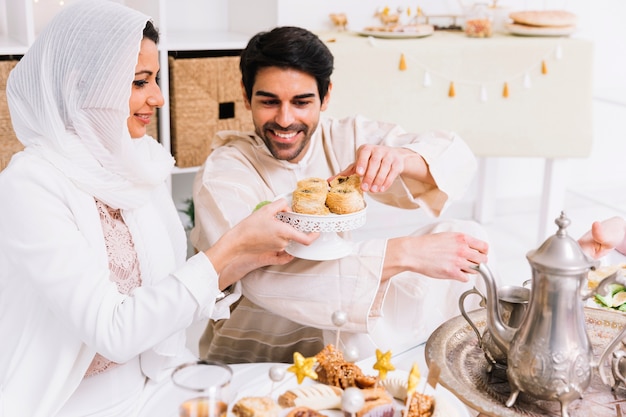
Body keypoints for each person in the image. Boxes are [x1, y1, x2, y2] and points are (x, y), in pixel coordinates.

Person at [0, 3, 318, 416]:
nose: (159, 97)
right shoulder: (31, 185)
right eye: (139, 82)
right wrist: (230, 246)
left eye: (155, 79)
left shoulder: (136, 161)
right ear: (80, 85)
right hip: (71, 404)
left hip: (156, 380)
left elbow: (165, 287)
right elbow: (113, 331)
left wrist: (245, 256)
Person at [190, 26, 491, 364]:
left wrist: (404, 158)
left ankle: (475, 364)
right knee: (361, 320)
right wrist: (404, 253)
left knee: (468, 241)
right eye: (269, 102)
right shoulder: (224, 172)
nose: (285, 120)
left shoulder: (342, 136)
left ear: (326, 96)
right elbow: (264, 282)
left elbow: (458, 157)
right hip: (258, 349)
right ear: (246, 97)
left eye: (302, 102)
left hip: (340, 320)